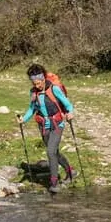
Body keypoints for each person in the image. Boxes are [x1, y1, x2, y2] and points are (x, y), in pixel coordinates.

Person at [19, 63, 75, 193]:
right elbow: (32, 108)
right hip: (43, 126)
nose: (37, 85)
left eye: (38, 82)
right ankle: (70, 171)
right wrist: (23, 119)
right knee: (54, 151)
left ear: (43, 78)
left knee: (50, 152)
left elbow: (67, 104)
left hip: (57, 124)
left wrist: (70, 112)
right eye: (34, 83)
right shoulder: (33, 92)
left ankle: (54, 182)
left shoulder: (54, 89)